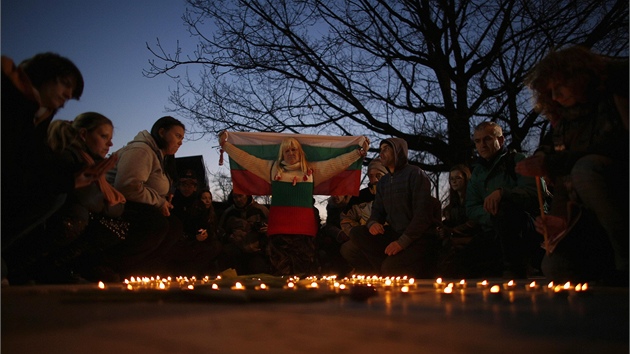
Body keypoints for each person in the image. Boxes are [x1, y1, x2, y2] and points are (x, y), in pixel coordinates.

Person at [516, 45, 629, 284]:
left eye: (559, 87)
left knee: (586, 169)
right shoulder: (565, 124)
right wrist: (560, 221)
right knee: (555, 267)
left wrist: (553, 163)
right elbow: (564, 180)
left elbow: (617, 149)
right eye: (550, 93)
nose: (555, 97)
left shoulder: (617, 96)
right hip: (590, 221)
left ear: (578, 76)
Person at [1, 53, 111, 282]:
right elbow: (18, 166)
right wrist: (69, 181)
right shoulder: (11, 102)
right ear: (43, 74)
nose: (68, 95)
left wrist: (75, 179)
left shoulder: (38, 116)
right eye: (66, 84)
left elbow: (37, 163)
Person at [219, 132, 369, 276]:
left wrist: (357, 153)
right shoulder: (272, 169)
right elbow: (247, 160)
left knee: (303, 271)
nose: (290, 153)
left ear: (300, 152)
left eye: (294, 149)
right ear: (282, 154)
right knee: (280, 272)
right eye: (286, 150)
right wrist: (226, 146)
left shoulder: (311, 171)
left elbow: (337, 164)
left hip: (304, 230)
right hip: (278, 229)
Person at [342, 138, 442, 277]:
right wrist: (373, 224)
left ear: (398, 152)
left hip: (419, 238)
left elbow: (422, 216)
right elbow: (377, 213)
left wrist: (402, 243)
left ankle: (401, 268)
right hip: (395, 233)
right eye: (380, 149)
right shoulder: (384, 182)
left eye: (386, 149)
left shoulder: (415, 174)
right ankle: (385, 269)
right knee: (357, 233)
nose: (381, 153)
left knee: (390, 269)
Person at [106, 116, 185, 276]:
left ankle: (141, 268)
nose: (180, 142)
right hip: (116, 203)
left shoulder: (160, 157)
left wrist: (164, 201)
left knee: (175, 225)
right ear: (161, 132)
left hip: (140, 205)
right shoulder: (141, 150)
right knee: (157, 224)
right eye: (177, 136)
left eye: (182, 138)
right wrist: (159, 202)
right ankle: (115, 266)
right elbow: (128, 187)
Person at [466, 121, 543, 279]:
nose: (482, 145)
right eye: (477, 141)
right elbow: (471, 207)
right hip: (493, 228)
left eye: (487, 139)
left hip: (525, 227)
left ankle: (515, 269)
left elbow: (534, 192)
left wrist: (503, 193)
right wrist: (493, 216)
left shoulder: (518, 161)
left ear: (500, 140)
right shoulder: (477, 173)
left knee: (505, 209)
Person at [338, 158, 388, 275]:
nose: (374, 179)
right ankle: (367, 271)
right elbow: (346, 219)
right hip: (364, 237)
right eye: (371, 175)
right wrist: (359, 232)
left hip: (388, 236)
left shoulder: (394, 194)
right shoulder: (359, 197)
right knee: (347, 249)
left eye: (378, 175)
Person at [435, 164, 482, 278]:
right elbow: (450, 222)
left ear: (466, 178)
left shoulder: (474, 199)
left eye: (458, 178)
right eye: (451, 179)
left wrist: (452, 231)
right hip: (455, 236)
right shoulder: (452, 205)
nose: (454, 181)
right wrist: (442, 228)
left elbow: (474, 222)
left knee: (451, 246)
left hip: (473, 237)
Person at [216, 192, 270, 275]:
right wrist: (230, 237)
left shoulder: (261, 211)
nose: (238, 200)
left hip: (256, 251)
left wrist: (266, 232)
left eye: (240, 196)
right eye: (235, 197)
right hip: (235, 251)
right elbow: (220, 232)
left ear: (247, 195)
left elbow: (272, 232)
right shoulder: (229, 213)